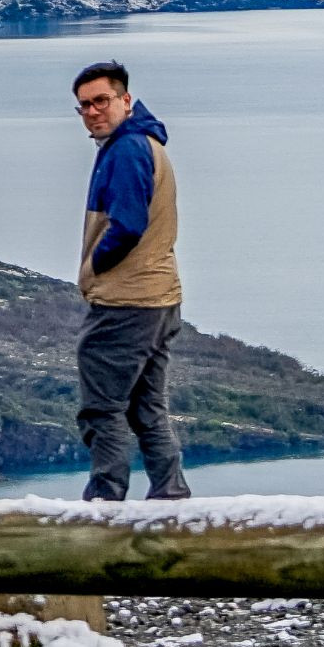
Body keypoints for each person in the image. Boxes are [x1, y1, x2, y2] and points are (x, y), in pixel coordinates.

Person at [71, 60, 190, 503]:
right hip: (159, 297)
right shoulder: (140, 144)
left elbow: (127, 225)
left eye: (101, 100)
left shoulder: (126, 149)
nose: (92, 111)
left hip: (127, 300)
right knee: (146, 407)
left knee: (103, 408)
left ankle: (105, 502)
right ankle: (170, 494)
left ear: (125, 100)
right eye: (83, 105)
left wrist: (97, 266)